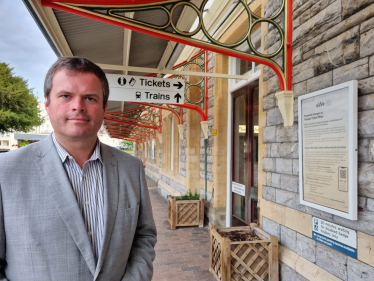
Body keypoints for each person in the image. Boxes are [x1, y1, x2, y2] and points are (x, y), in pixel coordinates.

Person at [0, 57, 157, 281]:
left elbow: (144, 236)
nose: (78, 106)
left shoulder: (131, 167)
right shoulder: (5, 171)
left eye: (90, 98)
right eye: (65, 96)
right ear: (47, 103)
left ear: (103, 107)